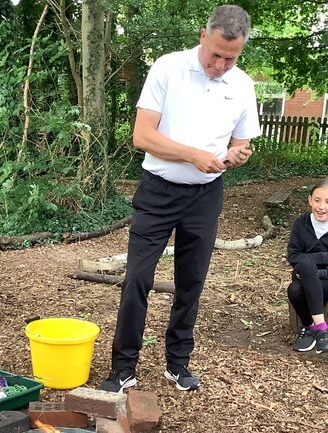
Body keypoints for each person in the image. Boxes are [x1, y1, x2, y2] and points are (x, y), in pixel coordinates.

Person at [98, 4, 260, 393]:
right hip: (158, 190)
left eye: (231, 58)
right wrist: (193, 154)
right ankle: (123, 368)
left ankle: (178, 363)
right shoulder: (167, 68)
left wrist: (238, 155)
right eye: (216, 54)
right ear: (202, 36)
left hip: (206, 196)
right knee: (138, 277)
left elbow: (242, 143)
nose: (221, 64)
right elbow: (143, 136)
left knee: (191, 282)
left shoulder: (243, 86)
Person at [287, 178, 328, 353]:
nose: (321, 206)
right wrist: (327, 256)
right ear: (310, 200)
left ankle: (312, 328)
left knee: (302, 279)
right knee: (295, 287)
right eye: (317, 200)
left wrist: (316, 276)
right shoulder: (301, 223)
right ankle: (318, 328)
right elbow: (293, 256)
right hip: (302, 276)